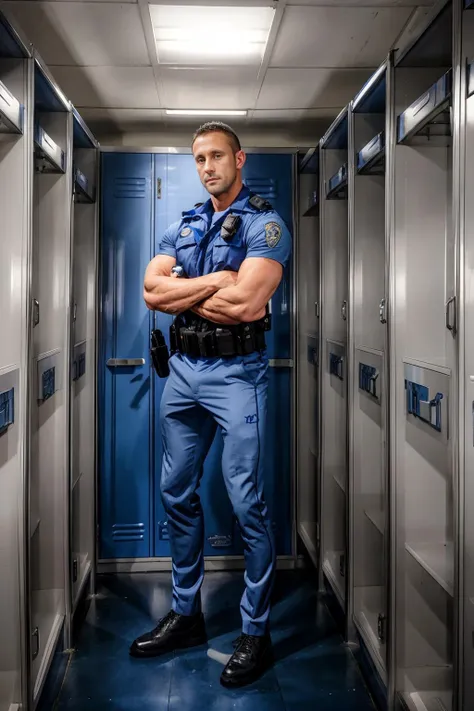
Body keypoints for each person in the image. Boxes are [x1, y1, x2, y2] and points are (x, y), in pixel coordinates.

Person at [129, 122, 292, 688]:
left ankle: (256, 629)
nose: (207, 166)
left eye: (216, 155)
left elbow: (247, 305)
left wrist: (188, 293)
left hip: (237, 375)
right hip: (184, 374)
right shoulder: (186, 223)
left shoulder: (265, 224)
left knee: (245, 500)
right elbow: (150, 291)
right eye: (199, 158)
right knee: (176, 492)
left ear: (239, 158)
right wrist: (214, 280)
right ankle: (186, 614)